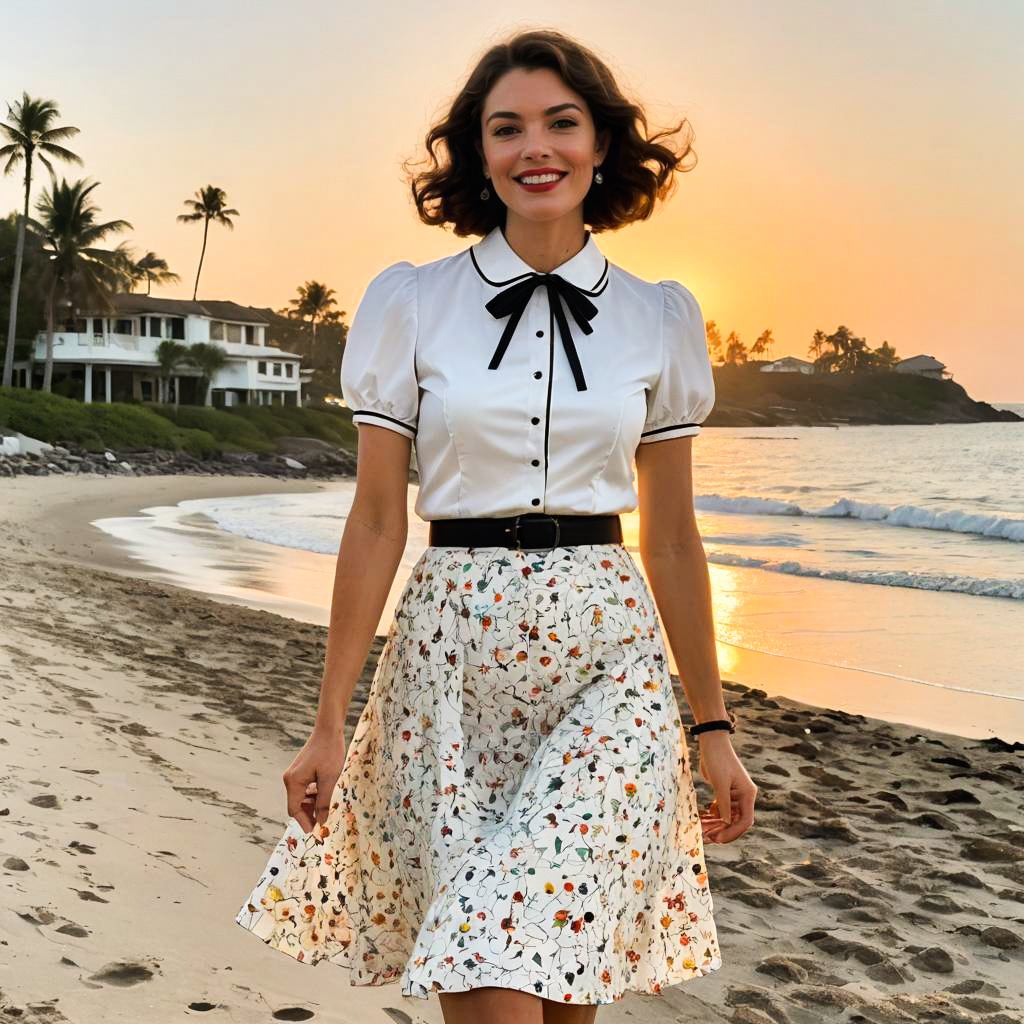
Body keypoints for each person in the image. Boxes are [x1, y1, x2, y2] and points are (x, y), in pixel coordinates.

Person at [234, 27, 757, 1024]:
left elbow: (676, 540)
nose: (536, 148)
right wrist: (327, 721)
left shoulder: (660, 317)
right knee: (497, 954)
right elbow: (380, 518)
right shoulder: (413, 303)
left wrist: (714, 729)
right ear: (479, 154)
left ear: (600, 145)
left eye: (561, 123)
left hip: (609, 664)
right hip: (449, 660)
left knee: (552, 960)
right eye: (505, 127)